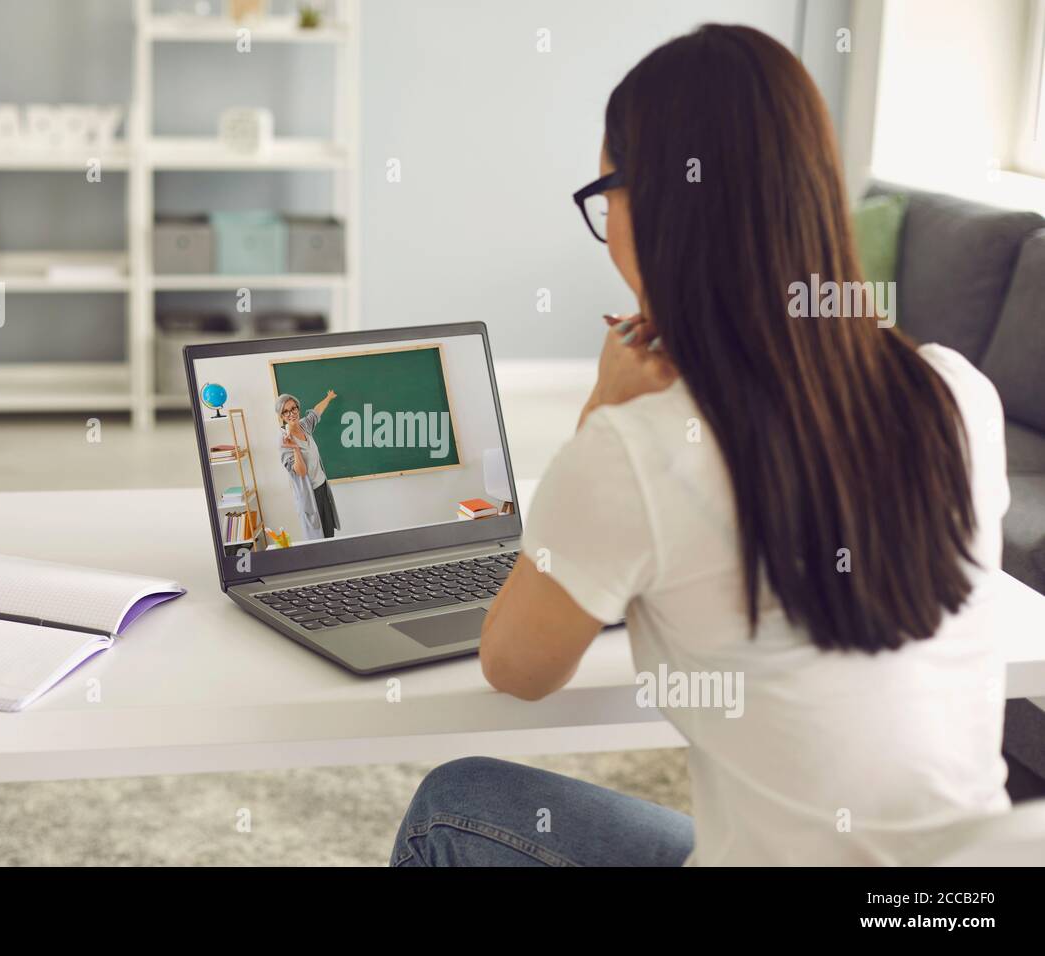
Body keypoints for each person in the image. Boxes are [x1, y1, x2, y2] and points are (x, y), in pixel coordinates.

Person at [391, 24, 1011, 867]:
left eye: (606, 188)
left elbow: (516, 665)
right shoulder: (957, 395)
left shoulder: (634, 454)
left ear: (654, 202)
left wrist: (602, 412)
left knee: (453, 807)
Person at [278, 389, 341, 540]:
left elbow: (316, 412)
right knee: (317, 539)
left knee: (329, 535)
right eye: (285, 412)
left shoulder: (304, 426)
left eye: (293, 408)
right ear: (281, 416)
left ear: (298, 408)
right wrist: (294, 448)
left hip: (323, 488)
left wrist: (328, 397)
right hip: (310, 495)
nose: (291, 413)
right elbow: (300, 471)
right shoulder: (283, 440)